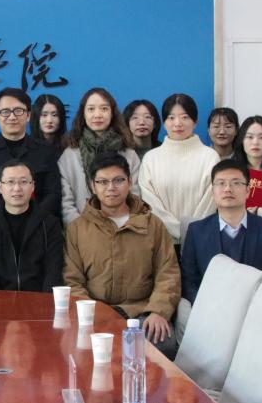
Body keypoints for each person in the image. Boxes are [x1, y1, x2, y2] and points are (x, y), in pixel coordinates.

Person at [64, 152, 181, 358]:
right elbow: (71, 280)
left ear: (129, 182)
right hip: (96, 313)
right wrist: (91, 314)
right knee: (77, 349)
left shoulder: (152, 225)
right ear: (92, 186)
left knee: (163, 345)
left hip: (141, 312)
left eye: (118, 180)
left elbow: (168, 273)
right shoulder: (77, 229)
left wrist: (158, 311)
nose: (111, 187)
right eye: (103, 182)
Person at [180, 159, 262, 302]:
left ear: (248, 191)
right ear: (213, 192)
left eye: (236, 183)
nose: (228, 189)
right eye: (221, 183)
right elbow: (189, 281)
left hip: (258, 308)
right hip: (211, 308)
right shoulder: (196, 231)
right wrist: (207, 306)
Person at [0, 88, 62, 227]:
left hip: (39, 226)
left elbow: (53, 193)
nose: (12, 117)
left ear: (28, 115)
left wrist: (32, 221)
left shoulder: (46, 151)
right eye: (5, 112)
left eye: (18, 111)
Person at [137, 93, 220, 245]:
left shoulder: (210, 157)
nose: (178, 123)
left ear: (195, 121)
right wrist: (178, 231)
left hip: (201, 240)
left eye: (185, 117)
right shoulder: (151, 159)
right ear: (163, 122)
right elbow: (150, 202)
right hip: (161, 241)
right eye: (171, 118)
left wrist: (192, 232)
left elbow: (210, 201)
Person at [0, 160, 63, 291]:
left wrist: (44, 302)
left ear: (33, 186)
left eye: (23, 182)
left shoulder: (49, 224)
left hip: (38, 299)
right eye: (10, 182)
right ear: (0, 187)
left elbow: (53, 271)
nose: (17, 188)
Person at [58, 87, 141, 225]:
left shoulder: (128, 154)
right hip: (82, 229)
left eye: (104, 109)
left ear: (112, 113)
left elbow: (135, 196)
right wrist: (81, 229)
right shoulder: (70, 155)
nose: (97, 115)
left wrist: (123, 225)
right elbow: (65, 202)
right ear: (83, 114)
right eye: (91, 109)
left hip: (123, 228)